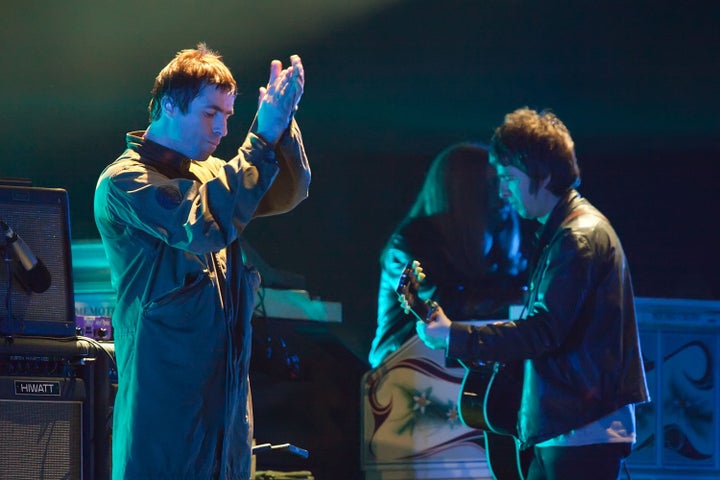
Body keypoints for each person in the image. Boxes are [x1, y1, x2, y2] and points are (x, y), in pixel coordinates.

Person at [94, 44, 310, 480]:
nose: (222, 129)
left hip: (224, 413)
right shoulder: (125, 181)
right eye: (212, 113)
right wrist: (261, 139)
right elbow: (200, 224)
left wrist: (281, 123)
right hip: (167, 409)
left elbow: (290, 189)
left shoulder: (210, 173)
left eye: (229, 116)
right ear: (170, 106)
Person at [415, 108, 650, 480]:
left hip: (580, 428)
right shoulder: (568, 229)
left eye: (509, 177)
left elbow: (543, 331)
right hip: (570, 427)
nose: (503, 190)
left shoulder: (577, 237)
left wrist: (454, 335)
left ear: (540, 174)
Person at [369, 142, 527, 369]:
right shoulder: (407, 244)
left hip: (462, 374)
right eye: (491, 184)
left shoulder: (498, 248)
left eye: (505, 181)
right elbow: (435, 307)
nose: (504, 193)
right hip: (406, 374)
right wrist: (518, 300)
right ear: (465, 190)